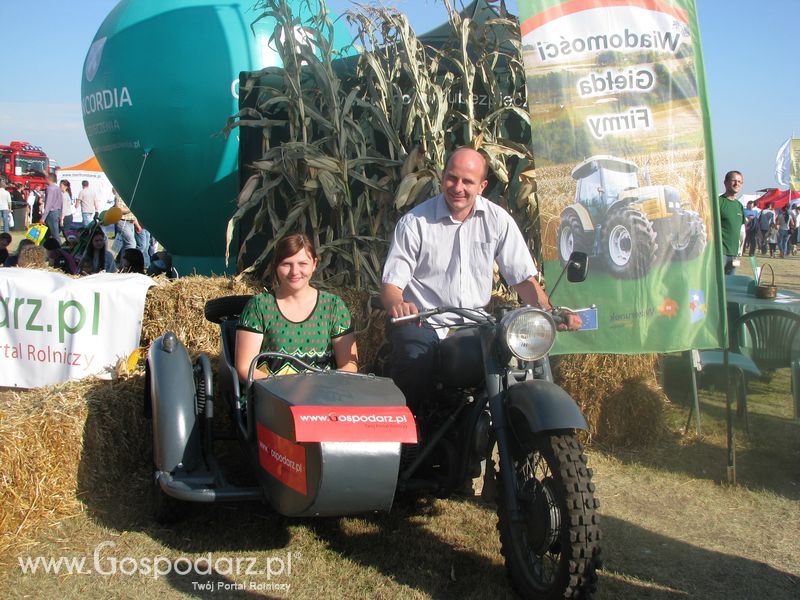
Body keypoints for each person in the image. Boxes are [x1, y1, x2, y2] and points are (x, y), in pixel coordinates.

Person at [381, 147, 581, 412]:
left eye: (468, 181)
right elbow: (391, 285)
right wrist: (399, 305)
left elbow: (523, 280)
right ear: (442, 177)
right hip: (424, 322)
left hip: (475, 325)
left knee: (508, 358)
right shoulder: (415, 223)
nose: (458, 187)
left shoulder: (497, 220)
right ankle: (412, 442)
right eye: (452, 178)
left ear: (483, 186)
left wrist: (550, 312)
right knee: (416, 364)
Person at [235, 232, 358, 381]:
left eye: (302, 264)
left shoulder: (333, 307)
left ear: (314, 264)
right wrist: (283, 391)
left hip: (322, 397)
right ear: (276, 266)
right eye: (286, 264)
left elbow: (349, 365)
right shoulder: (259, 306)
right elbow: (245, 367)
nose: (294, 272)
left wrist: (325, 390)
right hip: (270, 397)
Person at [718, 170, 745, 275]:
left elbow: (741, 231)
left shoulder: (739, 206)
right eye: (734, 180)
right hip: (720, 253)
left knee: (730, 284)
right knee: (717, 284)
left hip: (734, 255)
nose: (736, 184)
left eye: (739, 181)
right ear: (725, 182)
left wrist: (740, 251)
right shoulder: (718, 202)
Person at [39, 173, 62, 241]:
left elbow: (48, 203)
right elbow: (61, 202)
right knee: (50, 233)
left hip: (51, 213)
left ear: (49, 179)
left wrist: (43, 218)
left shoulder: (50, 188)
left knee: (54, 234)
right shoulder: (58, 188)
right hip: (57, 211)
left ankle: (59, 248)